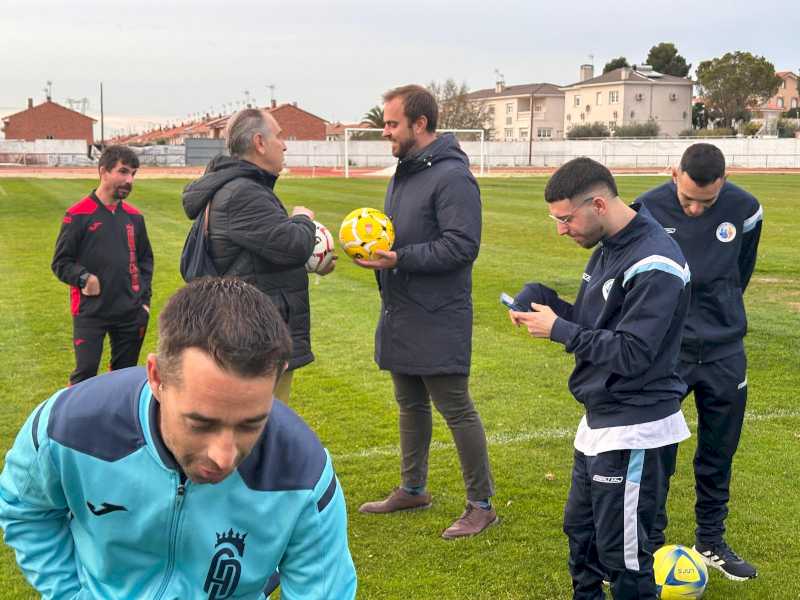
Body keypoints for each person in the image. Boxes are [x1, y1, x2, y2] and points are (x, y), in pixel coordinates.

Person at [0, 278, 357, 600]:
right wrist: (70, 593)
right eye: (200, 423)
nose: (223, 456)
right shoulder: (69, 426)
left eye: (251, 424)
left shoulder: (302, 473)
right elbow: (25, 510)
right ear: (157, 377)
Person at [509, 157, 691, 599]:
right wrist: (547, 302)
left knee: (623, 558)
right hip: (599, 422)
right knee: (582, 535)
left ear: (598, 204)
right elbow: (599, 327)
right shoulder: (609, 247)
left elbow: (632, 352)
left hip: (635, 428)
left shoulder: (656, 262)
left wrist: (560, 329)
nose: (561, 229)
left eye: (566, 219)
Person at [354, 84, 497, 539]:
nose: (386, 132)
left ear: (420, 124)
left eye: (393, 124)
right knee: (409, 404)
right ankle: (413, 487)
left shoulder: (452, 177)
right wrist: (381, 253)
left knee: (456, 408)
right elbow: (401, 236)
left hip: (438, 313)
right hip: (401, 307)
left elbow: (462, 246)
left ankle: (482, 504)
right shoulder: (405, 171)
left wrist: (400, 258)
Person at [638, 143, 762, 581]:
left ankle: (710, 540)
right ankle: (651, 545)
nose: (694, 209)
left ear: (723, 184)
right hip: (668, 351)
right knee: (659, 454)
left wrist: (719, 315)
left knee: (718, 451)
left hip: (725, 351)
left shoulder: (746, 209)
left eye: (705, 202)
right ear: (674, 174)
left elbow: (739, 273)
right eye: (687, 198)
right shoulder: (646, 207)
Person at [182, 108, 334, 403]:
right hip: (256, 337)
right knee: (260, 426)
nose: (285, 144)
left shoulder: (241, 187)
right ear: (259, 143)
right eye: (279, 136)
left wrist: (314, 262)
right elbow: (292, 244)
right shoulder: (243, 193)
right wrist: (302, 219)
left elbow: (264, 254)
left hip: (253, 331)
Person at [51, 144, 153, 385]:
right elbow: (61, 262)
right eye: (123, 172)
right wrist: (83, 277)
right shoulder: (78, 215)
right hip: (90, 311)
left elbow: (146, 260)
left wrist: (144, 302)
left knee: (123, 377)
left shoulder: (135, 217)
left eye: (133, 174)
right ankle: (73, 421)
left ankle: (114, 421)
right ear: (103, 171)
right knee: (84, 374)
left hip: (130, 311)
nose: (129, 180)